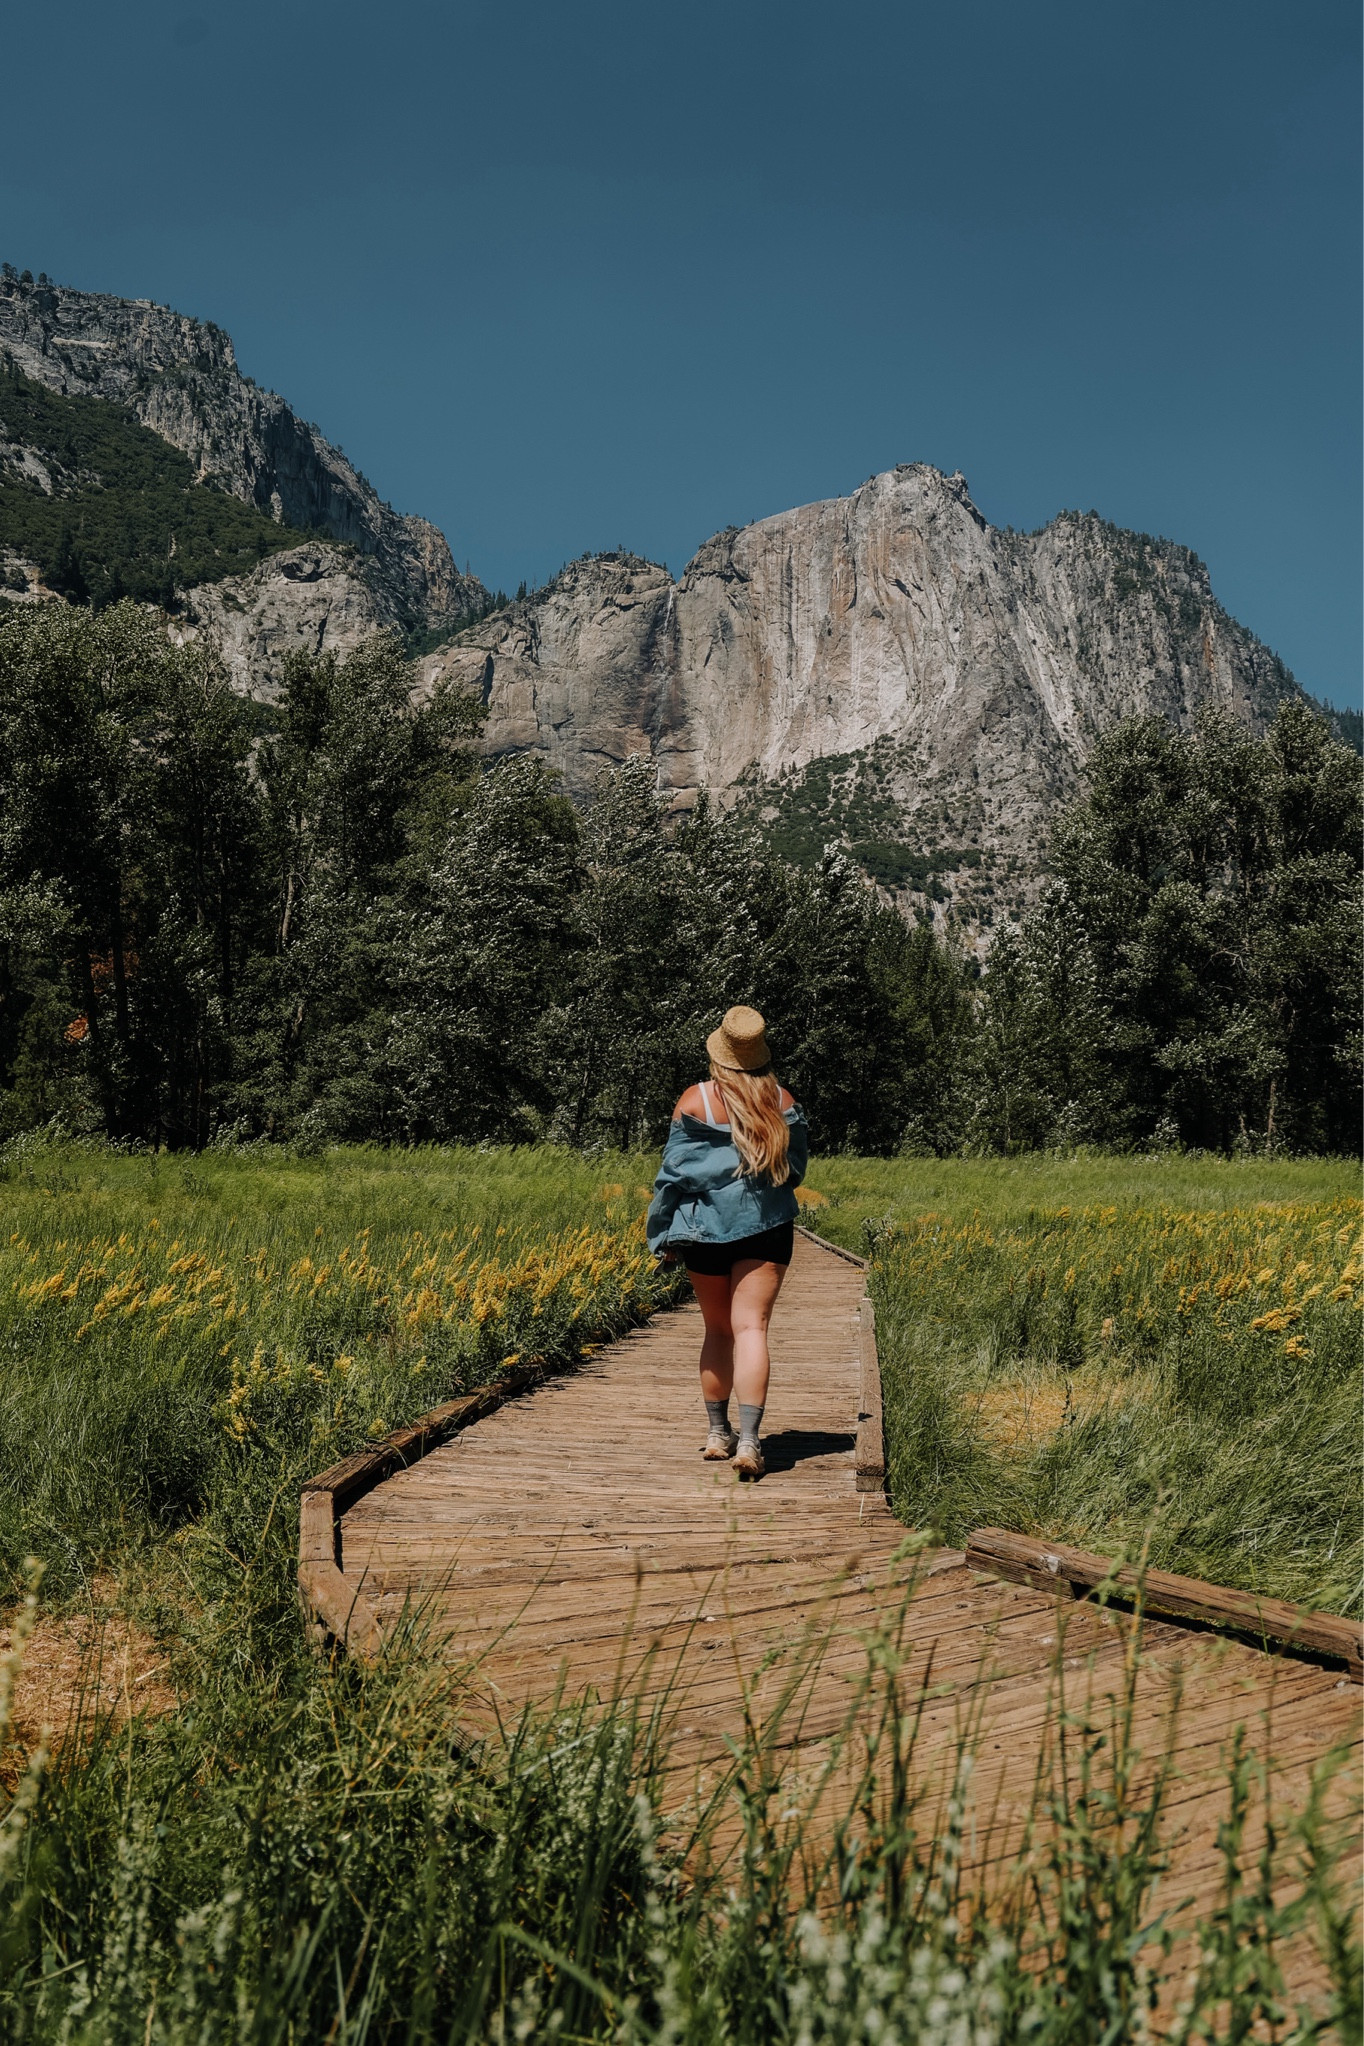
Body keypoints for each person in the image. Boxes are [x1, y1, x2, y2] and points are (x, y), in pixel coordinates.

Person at [645, 1006, 808, 1479]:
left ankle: (719, 1433)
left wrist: (665, 1230)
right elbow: (794, 1171)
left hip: (704, 1230)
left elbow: (673, 1173)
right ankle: (752, 1442)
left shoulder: (695, 1100)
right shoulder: (782, 1101)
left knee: (718, 1331)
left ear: (719, 1053)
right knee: (752, 1329)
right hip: (767, 1226)